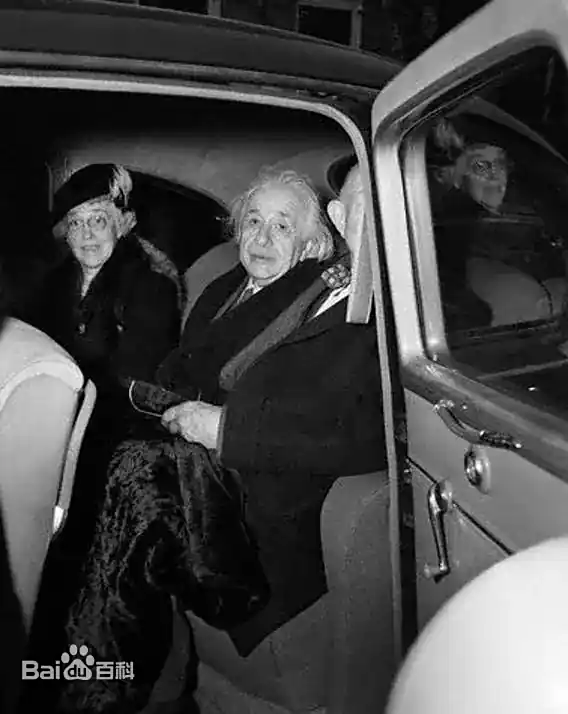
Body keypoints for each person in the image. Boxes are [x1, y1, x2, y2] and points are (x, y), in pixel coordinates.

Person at [58, 167, 387, 713]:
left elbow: (375, 428)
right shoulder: (261, 285)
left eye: (282, 226)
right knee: (113, 465)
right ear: (339, 217)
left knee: (136, 477)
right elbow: (188, 366)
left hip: (265, 496)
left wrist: (227, 429)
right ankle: (133, 681)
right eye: (253, 222)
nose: (262, 237)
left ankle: (104, 688)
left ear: (313, 240)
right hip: (211, 463)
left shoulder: (401, 311)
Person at [0, 255, 85, 712]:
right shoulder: (56, 278)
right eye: (78, 223)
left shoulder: (145, 284)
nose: (88, 232)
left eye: (98, 222)